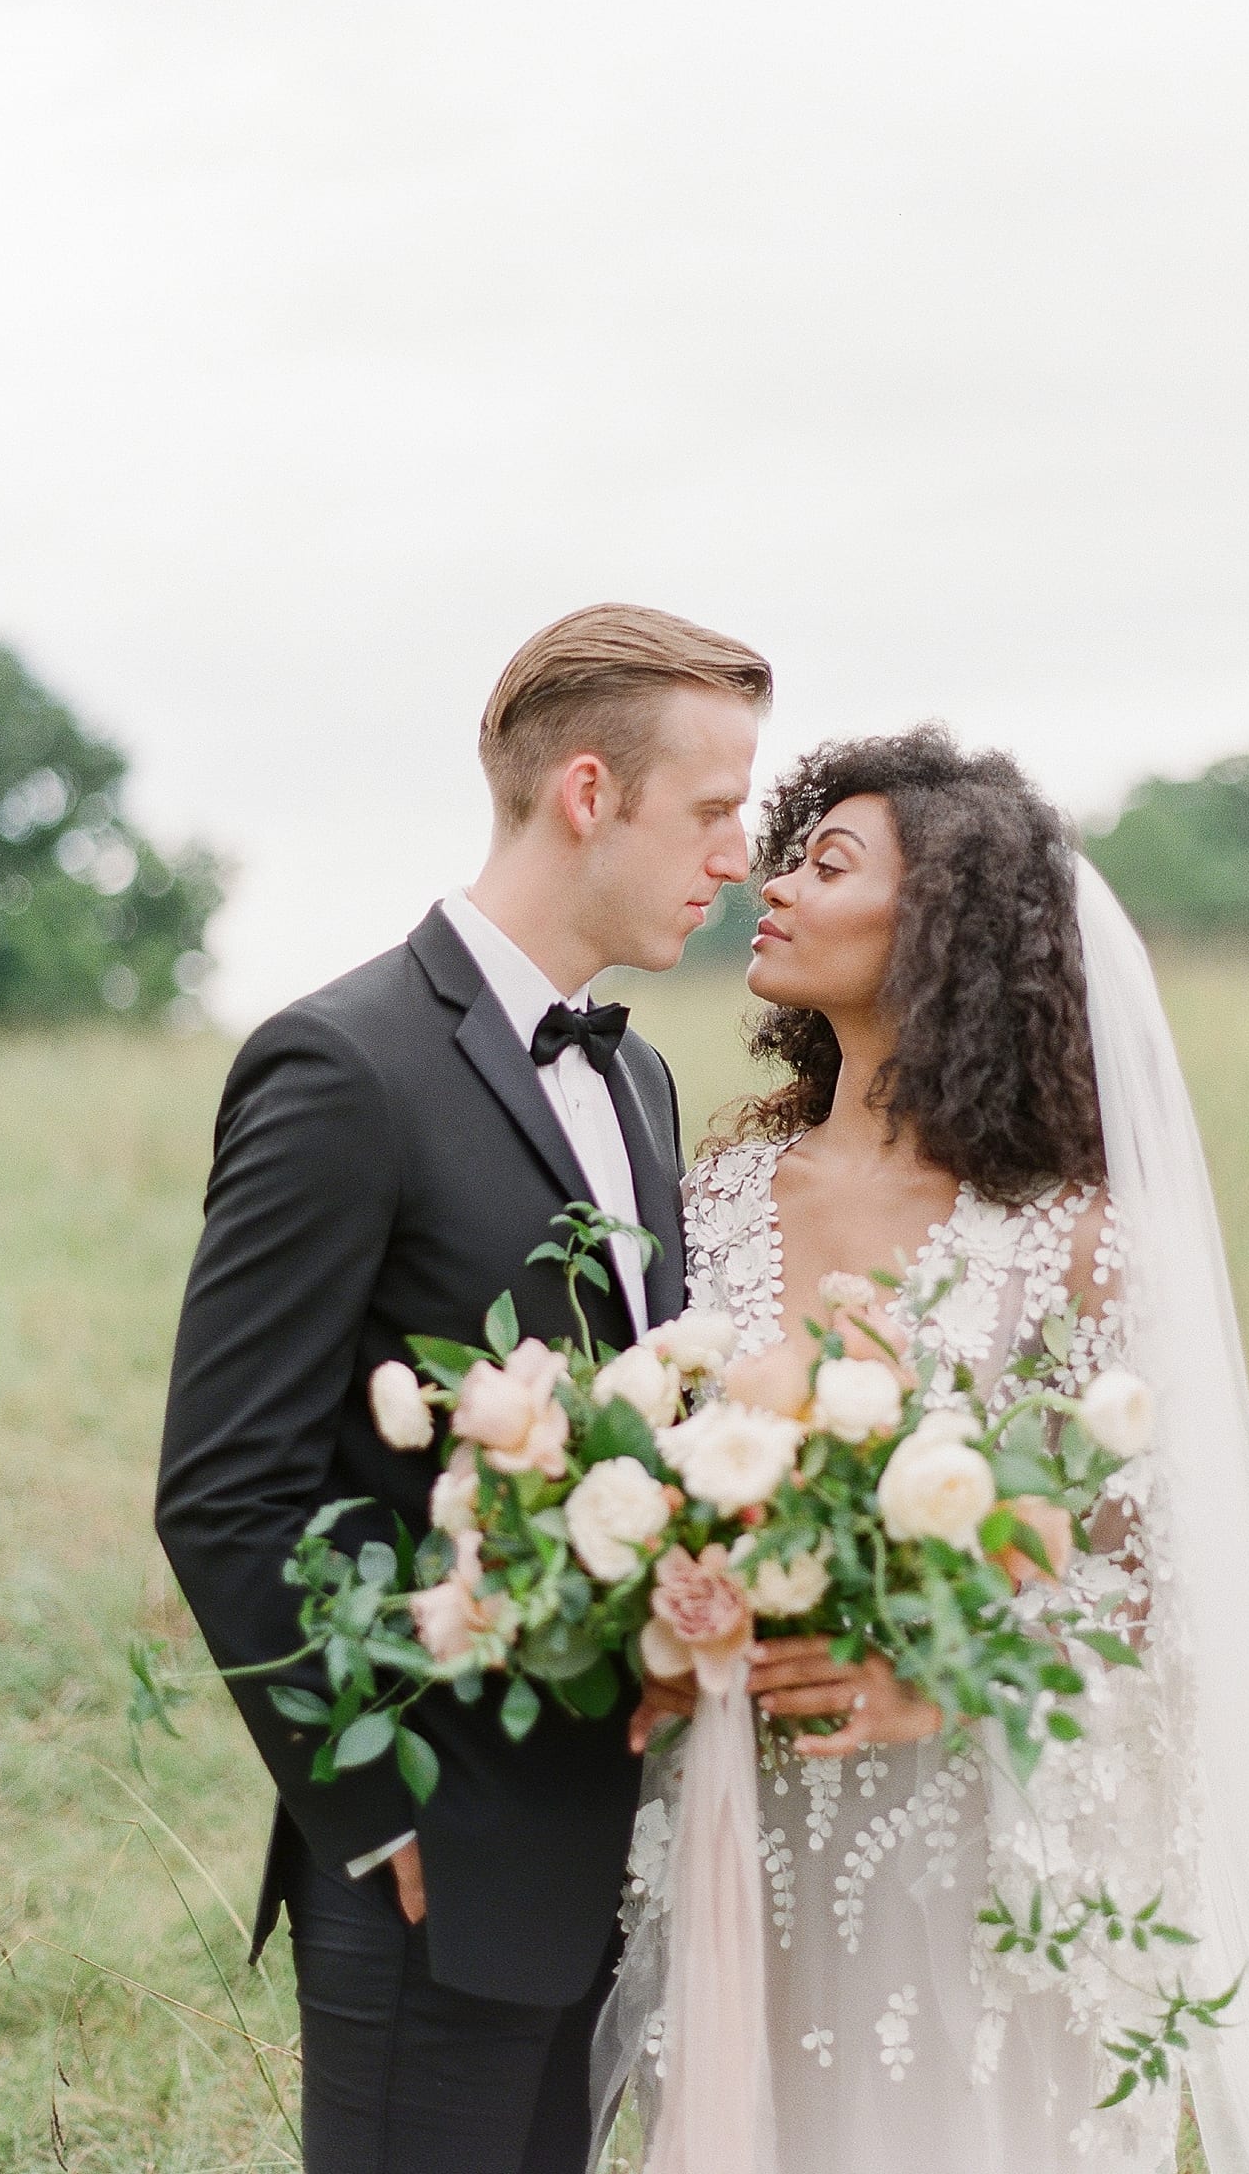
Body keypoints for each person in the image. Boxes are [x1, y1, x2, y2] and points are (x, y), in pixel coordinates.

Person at [598, 726, 1249, 2174]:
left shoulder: (1073, 1243)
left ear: (944, 929)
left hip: (969, 1838)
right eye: (787, 853)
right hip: (733, 1811)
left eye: (826, 861)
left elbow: (1158, 1593)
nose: (771, 885)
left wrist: (929, 1678)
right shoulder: (701, 1200)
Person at [155, 603, 768, 2174]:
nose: (737, 852)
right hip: (432, 1853)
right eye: (711, 809)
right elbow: (226, 1486)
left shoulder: (634, 1073)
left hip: (608, 1830)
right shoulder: (343, 1067)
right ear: (587, 793)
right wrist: (372, 1804)